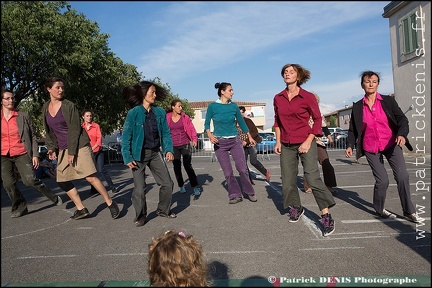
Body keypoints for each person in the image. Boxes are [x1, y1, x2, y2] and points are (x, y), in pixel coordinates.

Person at [345, 70, 420, 223]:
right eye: (367, 81)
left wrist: (401, 134)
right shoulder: (358, 107)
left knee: (402, 176)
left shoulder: (388, 101)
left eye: (374, 81)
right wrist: (350, 146)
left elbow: (402, 119)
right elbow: (353, 129)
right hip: (370, 146)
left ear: (378, 84)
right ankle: (379, 209)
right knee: (382, 180)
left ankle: (409, 211)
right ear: (362, 85)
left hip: (391, 143)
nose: (371, 84)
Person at [42, 77, 120, 220]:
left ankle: (110, 202)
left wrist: (72, 152)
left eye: (62, 87)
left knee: (89, 176)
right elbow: (49, 132)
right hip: (62, 148)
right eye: (57, 87)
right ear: (48, 89)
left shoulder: (68, 105)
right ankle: (81, 208)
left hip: (79, 145)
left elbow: (75, 129)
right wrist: (52, 148)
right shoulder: (45, 108)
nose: (61, 90)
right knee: (62, 180)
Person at [273, 64, 336, 236]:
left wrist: (309, 141)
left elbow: (317, 120)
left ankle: (326, 215)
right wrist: (278, 141)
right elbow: (277, 122)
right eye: (285, 72)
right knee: (287, 181)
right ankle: (296, 207)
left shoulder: (307, 97)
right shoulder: (278, 97)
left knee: (312, 178)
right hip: (286, 144)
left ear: (298, 76)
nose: (287, 74)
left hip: (305, 141)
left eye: (291, 72)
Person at [121, 81, 176, 227]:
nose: (155, 95)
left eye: (155, 92)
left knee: (168, 184)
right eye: (152, 92)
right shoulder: (133, 113)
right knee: (139, 189)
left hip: (154, 153)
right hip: (137, 155)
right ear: (143, 93)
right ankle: (141, 216)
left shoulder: (159, 112)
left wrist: (169, 149)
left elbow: (165, 133)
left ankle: (163, 209)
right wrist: (127, 156)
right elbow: (126, 136)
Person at [1, 88, 62, 218]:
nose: (11, 100)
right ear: (2, 101)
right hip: (3, 155)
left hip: (21, 152)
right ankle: (20, 206)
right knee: (8, 183)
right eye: (7, 98)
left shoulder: (23, 116)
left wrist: (35, 155)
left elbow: (32, 136)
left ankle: (52, 196)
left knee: (29, 180)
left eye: (12, 98)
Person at [204, 82, 257, 204]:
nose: (232, 92)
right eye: (230, 90)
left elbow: (242, 123)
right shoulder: (212, 106)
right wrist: (210, 135)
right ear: (222, 91)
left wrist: (249, 137)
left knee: (242, 169)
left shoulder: (234, 106)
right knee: (228, 172)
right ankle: (235, 194)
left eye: (232, 90)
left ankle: (249, 191)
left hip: (235, 141)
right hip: (220, 143)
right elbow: (206, 123)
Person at [166, 100, 201, 199]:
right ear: (173, 107)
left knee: (187, 165)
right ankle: (181, 185)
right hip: (173, 145)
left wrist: (194, 139)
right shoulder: (167, 117)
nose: (181, 108)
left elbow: (191, 128)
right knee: (176, 166)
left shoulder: (185, 117)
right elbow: (164, 131)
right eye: (179, 106)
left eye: (181, 106)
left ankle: (195, 187)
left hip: (185, 144)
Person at [303, 94, 337, 195]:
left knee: (326, 163)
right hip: (306, 141)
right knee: (310, 164)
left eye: (317, 100)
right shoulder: (303, 112)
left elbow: (324, 127)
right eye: (313, 100)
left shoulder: (319, 113)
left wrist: (330, 137)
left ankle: (329, 185)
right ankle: (308, 185)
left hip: (318, 141)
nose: (315, 101)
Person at [81, 109, 119, 194]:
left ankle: (112, 186)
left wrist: (93, 147)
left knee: (101, 169)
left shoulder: (96, 126)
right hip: (87, 153)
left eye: (90, 116)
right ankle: (94, 188)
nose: (89, 117)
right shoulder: (81, 127)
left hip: (98, 151)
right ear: (83, 117)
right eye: (87, 116)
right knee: (91, 171)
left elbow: (99, 139)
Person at [237, 105, 271, 183]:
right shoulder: (235, 122)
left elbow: (255, 132)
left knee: (253, 161)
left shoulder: (248, 121)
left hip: (251, 143)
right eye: (239, 113)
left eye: (242, 112)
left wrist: (246, 140)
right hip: (242, 145)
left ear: (244, 113)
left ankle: (265, 172)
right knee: (243, 163)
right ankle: (248, 178)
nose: (240, 114)